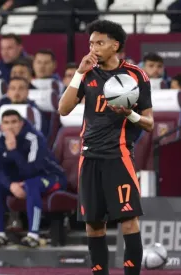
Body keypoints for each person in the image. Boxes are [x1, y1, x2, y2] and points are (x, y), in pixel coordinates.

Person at [58, 20, 154, 275]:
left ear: (116, 45)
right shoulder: (87, 72)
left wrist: (129, 114)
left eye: (99, 43)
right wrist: (78, 73)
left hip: (119, 154)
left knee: (128, 220)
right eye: (91, 43)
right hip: (89, 157)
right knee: (94, 225)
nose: (93, 48)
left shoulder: (136, 75)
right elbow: (63, 109)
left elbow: (149, 123)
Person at [0, 109, 67, 248]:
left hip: (51, 177)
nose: (10, 126)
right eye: (6, 123)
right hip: (19, 181)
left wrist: (13, 151)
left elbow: (32, 170)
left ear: (21, 123)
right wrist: (11, 185)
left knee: (31, 184)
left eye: (14, 122)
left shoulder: (34, 137)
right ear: (1, 126)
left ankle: (33, 235)